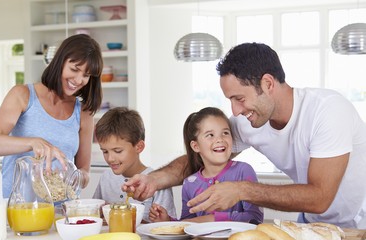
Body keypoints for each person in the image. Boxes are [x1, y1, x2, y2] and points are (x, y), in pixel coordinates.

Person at [124, 42, 366, 229]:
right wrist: (154, 180)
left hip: (359, 223)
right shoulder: (250, 119)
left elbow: (319, 197)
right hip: (311, 222)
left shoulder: (328, 111)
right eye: (231, 100)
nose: (235, 111)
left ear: (268, 84)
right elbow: (203, 155)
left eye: (239, 98)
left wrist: (241, 190)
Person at [0, 34, 103, 198]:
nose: (79, 80)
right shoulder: (22, 95)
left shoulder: (83, 113)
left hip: (60, 212)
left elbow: (84, 172)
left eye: (86, 75)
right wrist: (33, 142)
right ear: (60, 62)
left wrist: (76, 178)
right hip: (18, 209)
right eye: (74, 69)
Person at [149, 107, 263, 224]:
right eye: (210, 135)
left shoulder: (243, 171)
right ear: (195, 146)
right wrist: (168, 221)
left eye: (225, 133)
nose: (219, 139)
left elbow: (255, 218)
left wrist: (213, 219)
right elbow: (187, 223)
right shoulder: (190, 183)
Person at [92, 107, 176, 223]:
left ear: (139, 147)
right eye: (105, 151)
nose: (110, 159)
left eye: (118, 151)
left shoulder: (156, 181)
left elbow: (168, 227)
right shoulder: (106, 178)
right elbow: (94, 216)